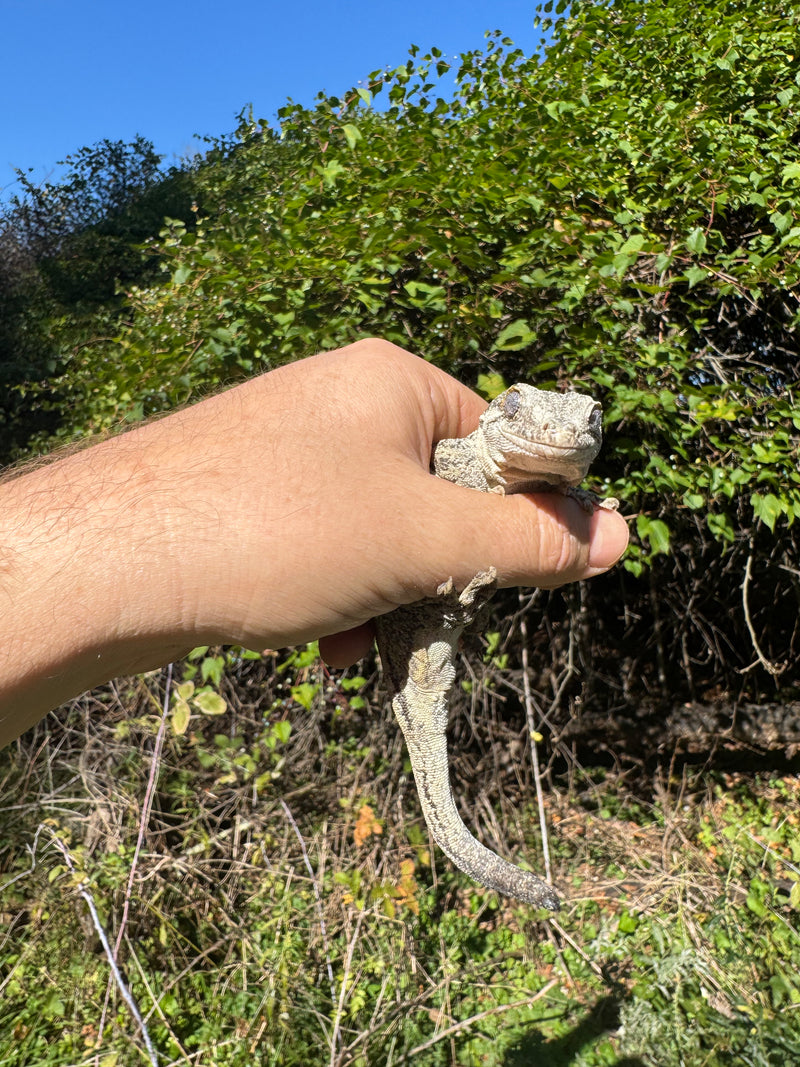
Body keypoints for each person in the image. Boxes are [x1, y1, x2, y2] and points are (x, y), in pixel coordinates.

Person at [0, 339, 629, 747]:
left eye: (587, 423)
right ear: (497, 415)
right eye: (519, 410)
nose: (559, 432)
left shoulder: (560, 472)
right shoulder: (464, 452)